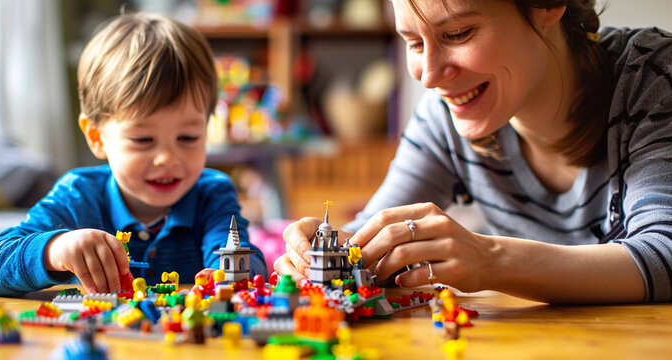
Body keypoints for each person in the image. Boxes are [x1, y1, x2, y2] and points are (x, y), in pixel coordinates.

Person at [275, 0, 672, 303]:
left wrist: (490, 259)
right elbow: (374, 239)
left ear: (547, 5)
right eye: (413, 42)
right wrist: (334, 250)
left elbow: (664, 254)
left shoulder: (654, 78)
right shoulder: (443, 118)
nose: (429, 77)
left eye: (458, 33)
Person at [0, 12, 266, 296]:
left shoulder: (213, 193)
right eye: (143, 139)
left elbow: (244, 262)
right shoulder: (77, 195)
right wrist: (54, 249)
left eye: (188, 137)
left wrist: (229, 279)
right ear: (97, 137)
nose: (168, 159)